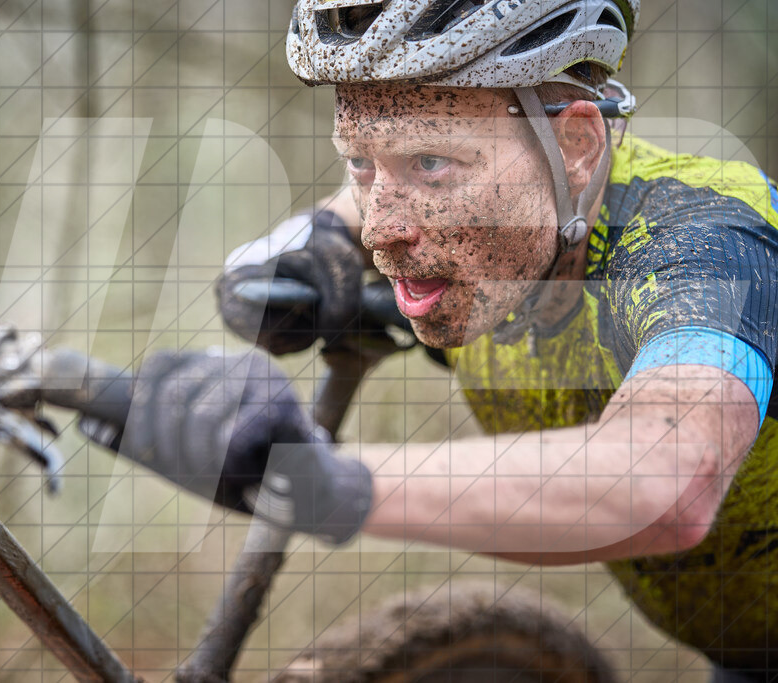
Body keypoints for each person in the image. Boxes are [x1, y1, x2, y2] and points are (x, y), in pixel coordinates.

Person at [81, 1, 778, 679]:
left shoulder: (704, 245)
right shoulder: (506, 233)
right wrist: (300, 248)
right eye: (361, 162)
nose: (382, 229)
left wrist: (329, 483)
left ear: (575, 147)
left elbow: (668, 481)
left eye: (432, 164)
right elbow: (349, 213)